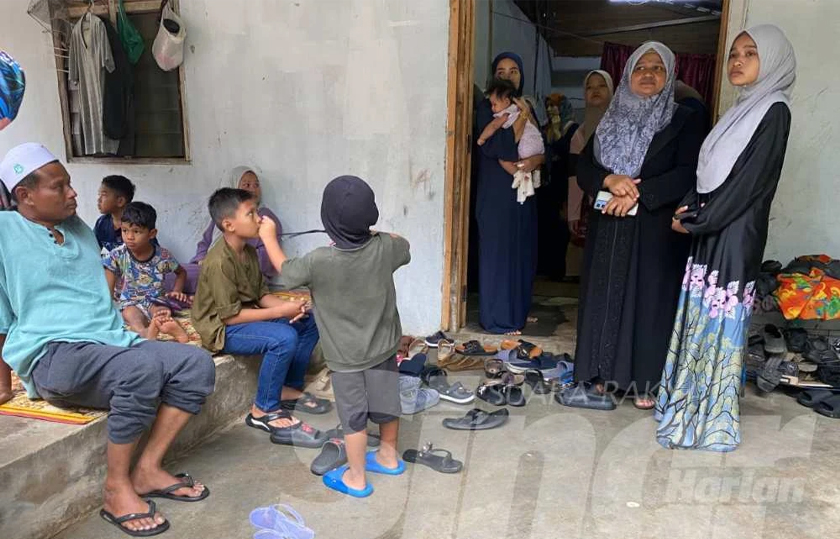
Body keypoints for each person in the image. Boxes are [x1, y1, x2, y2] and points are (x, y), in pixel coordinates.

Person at [0, 142, 215, 536]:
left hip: (109, 343)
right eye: (59, 187)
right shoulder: (4, 232)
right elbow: (0, 315)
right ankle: (116, 488)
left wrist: (135, 333)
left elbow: (101, 300)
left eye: (69, 184)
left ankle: (147, 469)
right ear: (25, 195)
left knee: (196, 364)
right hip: (54, 355)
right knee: (140, 368)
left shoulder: (79, 230)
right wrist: (2, 385)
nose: (73, 193)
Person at [656, 25, 796, 452]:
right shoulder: (741, 109)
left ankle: (711, 421)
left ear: (771, 60)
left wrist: (698, 221)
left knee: (719, 323)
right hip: (714, 226)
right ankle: (686, 405)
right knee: (701, 318)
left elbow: (749, 183)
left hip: (735, 233)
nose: (738, 61)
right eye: (735, 53)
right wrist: (690, 209)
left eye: (750, 53)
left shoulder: (774, 110)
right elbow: (709, 172)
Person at [558, 42, 705, 411]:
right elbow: (586, 167)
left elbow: (688, 172)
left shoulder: (683, 119)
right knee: (604, 297)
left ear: (670, 75)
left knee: (648, 301)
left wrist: (638, 194)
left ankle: (646, 381)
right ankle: (600, 374)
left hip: (653, 230)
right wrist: (609, 180)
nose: (648, 74)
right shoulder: (611, 118)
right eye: (641, 67)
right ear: (628, 74)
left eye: (657, 68)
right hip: (608, 225)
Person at [263, 175, 409, 498]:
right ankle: (388, 457)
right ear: (371, 216)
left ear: (327, 222)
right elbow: (404, 245)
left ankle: (356, 478)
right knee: (387, 403)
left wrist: (268, 237)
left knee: (353, 417)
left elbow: (287, 272)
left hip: (346, 358)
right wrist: (376, 234)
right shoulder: (386, 248)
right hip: (385, 348)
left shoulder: (319, 261)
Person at [191, 187, 328, 447]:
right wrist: (280, 312)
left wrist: (292, 307)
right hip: (222, 328)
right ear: (229, 224)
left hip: (246, 316)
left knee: (307, 322)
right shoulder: (219, 261)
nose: (259, 219)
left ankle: (287, 388)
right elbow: (230, 317)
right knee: (283, 337)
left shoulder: (250, 251)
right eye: (251, 213)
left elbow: (261, 295)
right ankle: (263, 409)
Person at [474, 52, 545, 335]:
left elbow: (542, 147)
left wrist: (536, 159)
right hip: (496, 194)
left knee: (521, 252)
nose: (508, 76)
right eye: (501, 71)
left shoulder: (525, 105)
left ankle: (517, 313)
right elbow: (497, 146)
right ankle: (498, 319)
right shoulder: (486, 107)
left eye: (514, 70)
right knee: (498, 254)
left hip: (522, 193)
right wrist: (521, 119)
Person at [178, 166, 282, 294]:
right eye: (247, 185)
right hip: (213, 266)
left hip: (243, 272)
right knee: (176, 272)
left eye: (256, 185)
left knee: (180, 277)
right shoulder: (224, 217)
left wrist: (234, 264)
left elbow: (266, 260)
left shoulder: (265, 218)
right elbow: (204, 243)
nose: (253, 189)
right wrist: (201, 260)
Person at [103, 201, 190, 343]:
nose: (129, 237)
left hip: (155, 300)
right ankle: (145, 333)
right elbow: (108, 291)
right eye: (125, 230)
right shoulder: (116, 256)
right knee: (130, 314)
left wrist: (177, 291)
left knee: (162, 312)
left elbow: (181, 273)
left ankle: (174, 331)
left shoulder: (163, 256)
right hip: (129, 302)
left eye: (136, 231)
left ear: (152, 234)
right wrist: (108, 309)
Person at [477, 78, 545, 204]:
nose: (492, 108)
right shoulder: (521, 108)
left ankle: (520, 176)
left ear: (507, 101)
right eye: (501, 71)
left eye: (513, 71)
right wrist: (538, 159)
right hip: (537, 145)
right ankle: (536, 177)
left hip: (524, 149)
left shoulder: (503, 115)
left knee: (504, 160)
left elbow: (493, 127)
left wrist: (481, 138)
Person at [567, 70, 614, 251]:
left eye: (602, 86)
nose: (595, 91)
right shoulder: (579, 135)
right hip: (592, 207)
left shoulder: (624, 128)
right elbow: (574, 176)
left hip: (620, 204)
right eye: (589, 87)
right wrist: (573, 213)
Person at [94, 175, 136, 252]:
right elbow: (93, 249)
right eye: (99, 195)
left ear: (120, 201)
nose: (99, 199)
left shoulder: (138, 223)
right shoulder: (102, 223)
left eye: (103, 195)